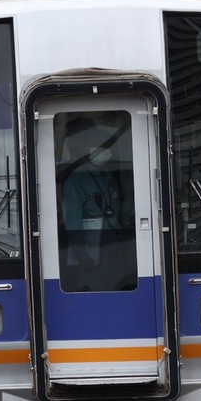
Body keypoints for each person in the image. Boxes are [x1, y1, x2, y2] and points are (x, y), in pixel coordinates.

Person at [58, 117, 132, 291]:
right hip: (91, 250)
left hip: (116, 245)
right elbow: (73, 221)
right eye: (95, 143)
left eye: (104, 144)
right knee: (92, 290)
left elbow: (121, 208)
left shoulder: (109, 175)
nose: (103, 149)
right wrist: (81, 254)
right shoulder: (76, 178)